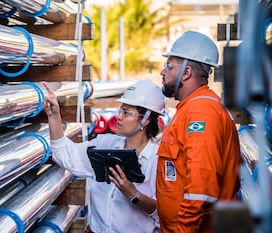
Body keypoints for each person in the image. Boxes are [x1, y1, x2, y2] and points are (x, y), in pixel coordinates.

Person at [42, 80, 165, 233]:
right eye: (120, 110)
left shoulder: (158, 159)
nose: (118, 116)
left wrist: (134, 195)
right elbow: (66, 156)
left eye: (126, 112)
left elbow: (164, 214)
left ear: (145, 119)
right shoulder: (105, 144)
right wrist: (54, 116)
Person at [156, 30, 242, 233]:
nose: (162, 71)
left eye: (169, 66)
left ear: (186, 73)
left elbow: (200, 192)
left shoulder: (201, 113)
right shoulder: (191, 108)